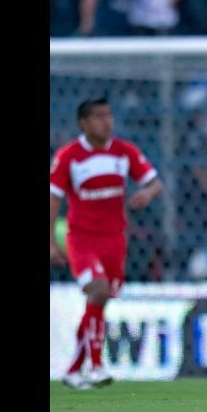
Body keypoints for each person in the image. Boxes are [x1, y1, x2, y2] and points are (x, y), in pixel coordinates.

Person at [50, 98, 163, 389]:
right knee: (97, 291)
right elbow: (54, 199)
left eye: (109, 115)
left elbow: (154, 182)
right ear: (84, 124)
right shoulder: (69, 156)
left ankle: (73, 370)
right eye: (99, 117)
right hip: (82, 239)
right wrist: (50, 241)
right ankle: (97, 366)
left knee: (98, 304)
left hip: (115, 240)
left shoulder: (124, 152)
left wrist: (147, 194)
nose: (107, 122)